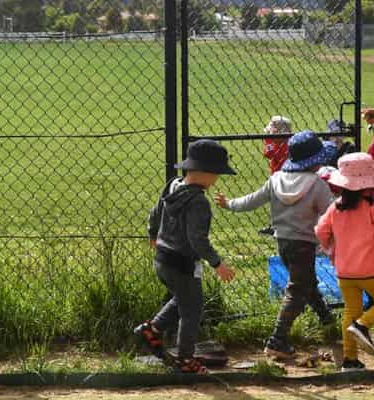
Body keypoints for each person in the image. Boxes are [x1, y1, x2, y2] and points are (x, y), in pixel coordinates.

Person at [215, 131, 337, 358]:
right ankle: (277, 340)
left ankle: (327, 319)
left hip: (283, 242)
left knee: (306, 281)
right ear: (316, 160)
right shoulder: (317, 185)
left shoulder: (276, 179)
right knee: (297, 290)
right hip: (304, 244)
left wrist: (229, 204)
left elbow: (252, 200)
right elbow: (331, 214)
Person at [134, 139, 236, 374]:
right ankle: (185, 359)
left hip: (162, 258)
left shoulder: (173, 185)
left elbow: (155, 211)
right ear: (204, 173)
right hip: (182, 264)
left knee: (183, 298)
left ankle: (152, 330)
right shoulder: (198, 202)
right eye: (216, 174)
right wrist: (217, 263)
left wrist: (153, 233)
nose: (216, 179)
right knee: (192, 311)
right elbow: (197, 240)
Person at [315, 153, 374, 372]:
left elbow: (321, 231)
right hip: (370, 269)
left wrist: (332, 250)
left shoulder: (335, 207)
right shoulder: (370, 206)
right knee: (358, 318)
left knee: (351, 310)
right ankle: (363, 325)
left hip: (345, 271)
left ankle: (350, 361)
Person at [260, 116, 292, 235]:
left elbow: (268, 153)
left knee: (282, 202)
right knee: (275, 201)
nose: (269, 135)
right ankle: (275, 225)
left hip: (285, 177)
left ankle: (281, 226)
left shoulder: (286, 144)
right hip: (277, 176)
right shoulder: (279, 142)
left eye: (271, 132)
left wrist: (268, 140)